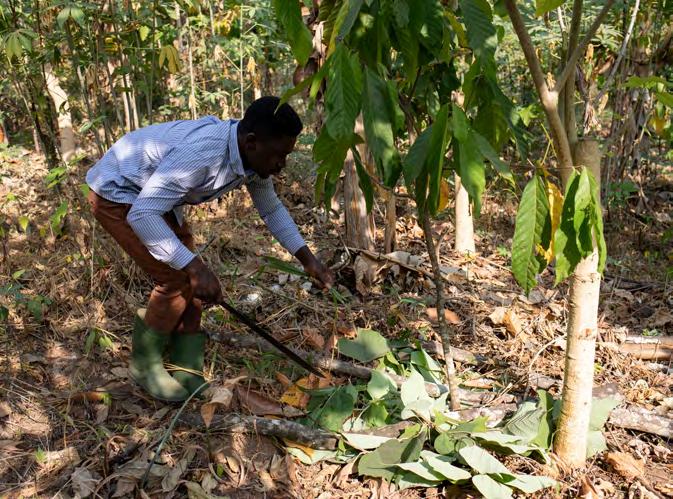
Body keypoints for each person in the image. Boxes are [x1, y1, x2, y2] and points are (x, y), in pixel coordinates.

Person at [86, 96, 333, 402]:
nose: (281, 166)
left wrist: (308, 259)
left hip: (153, 198)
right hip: (119, 191)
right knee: (177, 279)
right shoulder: (204, 155)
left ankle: (185, 368)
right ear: (251, 142)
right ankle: (144, 365)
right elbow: (142, 214)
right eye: (278, 156)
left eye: (286, 156)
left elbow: (271, 209)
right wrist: (194, 267)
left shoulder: (253, 160)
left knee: (192, 280)